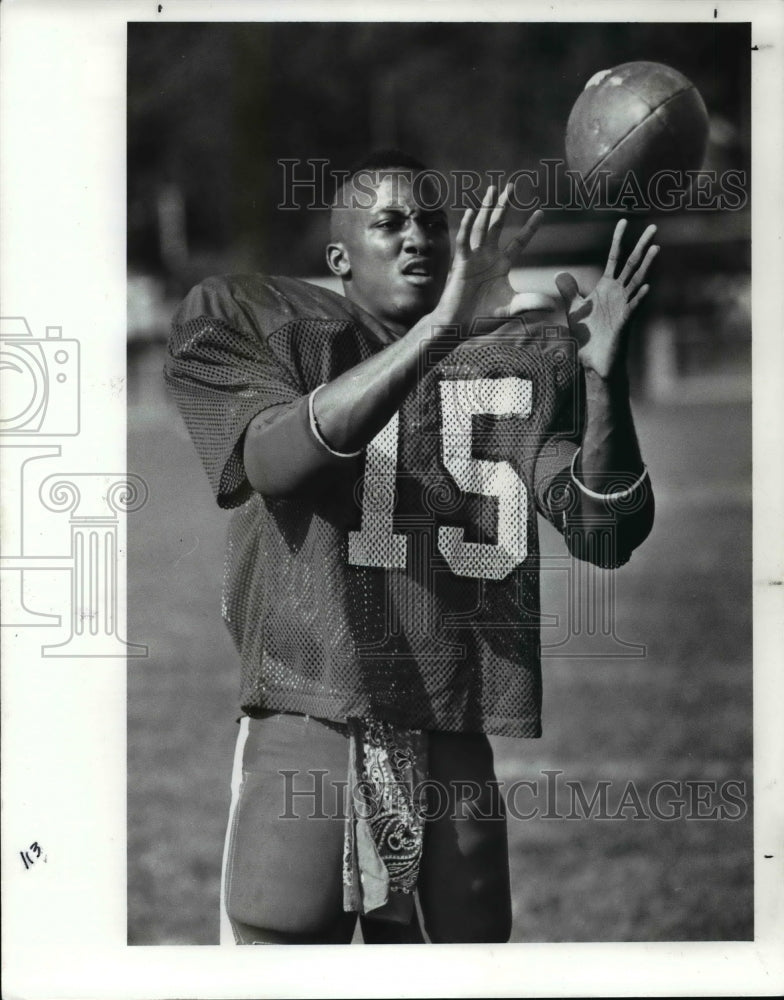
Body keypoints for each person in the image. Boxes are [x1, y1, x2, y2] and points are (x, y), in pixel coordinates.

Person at [164, 150, 657, 945]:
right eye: (388, 222)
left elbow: (606, 533)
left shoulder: (512, 356)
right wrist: (436, 331)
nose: (417, 238)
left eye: (431, 220)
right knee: (279, 951)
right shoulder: (268, 324)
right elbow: (274, 461)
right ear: (339, 256)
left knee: (459, 969)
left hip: (451, 721)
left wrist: (606, 384)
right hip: (310, 712)